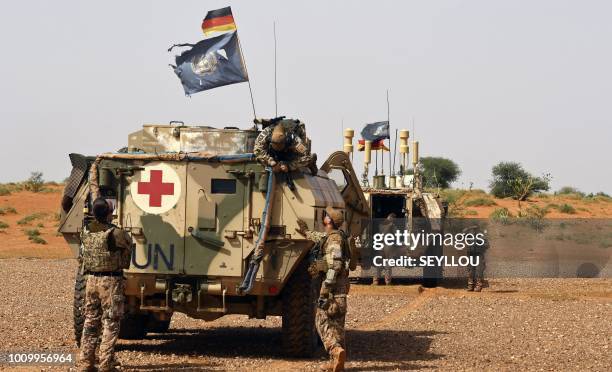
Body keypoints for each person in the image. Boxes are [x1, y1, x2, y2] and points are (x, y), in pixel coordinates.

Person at [78, 197, 133, 372]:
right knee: (111, 322)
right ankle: (106, 363)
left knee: (90, 321)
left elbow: (82, 256)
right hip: (110, 282)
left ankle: (86, 362)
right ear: (110, 213)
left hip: (90, 281)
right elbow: (127, 256)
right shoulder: (116, 233)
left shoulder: (86, 230)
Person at [296, 207, 350, 372]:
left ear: (330, 221)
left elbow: (335, 265)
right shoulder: (335, 236)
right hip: (340, 294)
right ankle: (336, 362)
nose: (323, 218)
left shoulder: (334, 241)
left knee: (321, 322)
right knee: (337, 327)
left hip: (331, 293)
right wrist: (305, 231)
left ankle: (334, 350)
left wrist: (325, 289)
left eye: (326, 216)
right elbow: (318, 237)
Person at [253, 118, 318, 175]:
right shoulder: (265, 134)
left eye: (280, 147)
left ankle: (311, 164)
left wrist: (289, 166)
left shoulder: (294, 139)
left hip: (295, 135)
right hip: (273, 146)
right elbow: (257, 150)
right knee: (258, 158)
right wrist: (270, 161)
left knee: (308, 159)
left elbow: (306, 156)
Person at [372, 213, 397, 285]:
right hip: (388, 245)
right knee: (388, 264)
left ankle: (375, 281)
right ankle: (388, 281)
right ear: (392, 218)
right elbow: (396, 234)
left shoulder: (380, 224)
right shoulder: (392, 225)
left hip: (379, 245)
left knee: (378, 263)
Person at [464, 224, 488, 292]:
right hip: (470, 255)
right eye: (472, 229)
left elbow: (487, 245)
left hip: (479, 255)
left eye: (475, 229)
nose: (474, 231)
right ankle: (470, 286)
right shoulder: (468, 236)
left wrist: (480, 243)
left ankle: (479, 286)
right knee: (470, 270)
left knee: (479, 271)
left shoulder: (482, 237)